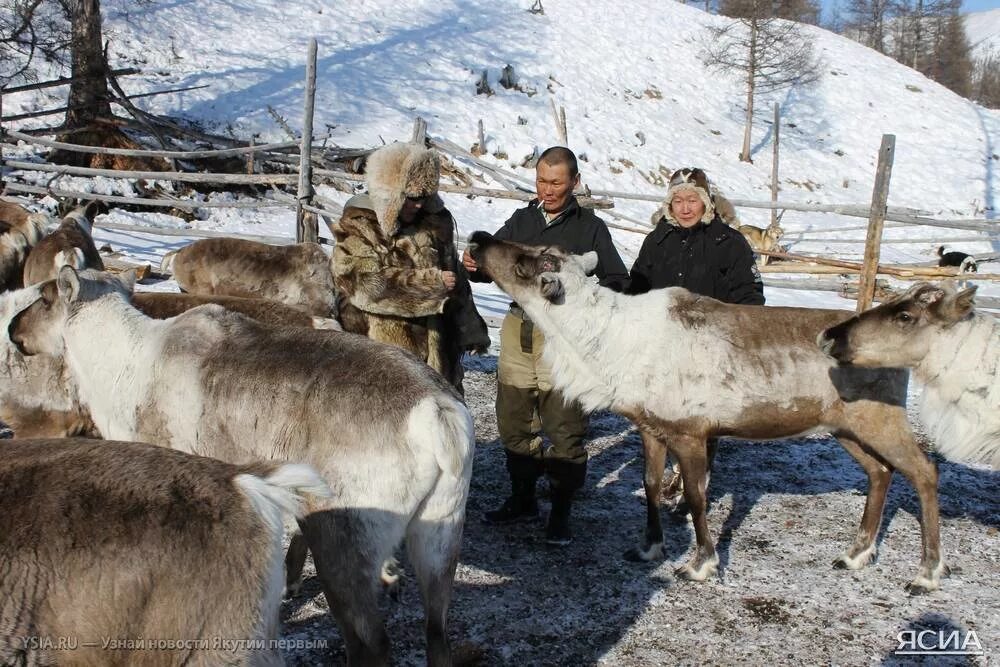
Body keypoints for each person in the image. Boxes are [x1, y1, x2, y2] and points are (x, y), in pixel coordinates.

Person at [462, 146, 629, 546]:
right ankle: (523, 500)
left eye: (556, 182)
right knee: (514, 422)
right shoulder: (521, 220)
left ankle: (561, 511)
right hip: (518, 331)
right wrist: (476, 267)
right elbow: (493, 266)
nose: (547, 189)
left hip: (566, 340)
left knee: (564, 426)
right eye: (541, 180)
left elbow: (617, 280)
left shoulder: (590, 228)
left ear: (574, 182)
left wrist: (580, 292)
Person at [627, 166, 764, 508]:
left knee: (700, 419)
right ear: (669, 205)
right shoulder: (657, 240)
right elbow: (637, 287)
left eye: (692, 200)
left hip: (710, 347)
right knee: (663, 412)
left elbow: (749, 297)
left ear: (707, 203)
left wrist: (734, 337)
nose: (685, 208)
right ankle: (676, 469)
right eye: (678, 201)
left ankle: (695, 483)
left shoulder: (729, 243)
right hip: (662, 345)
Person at [331, 142, 490, 394]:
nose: (418, 205)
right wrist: (429, 285)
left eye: (425, 197)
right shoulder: (361, 224)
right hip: (383, 355)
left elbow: (455, 277)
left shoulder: (434, 222)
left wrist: (470, 329)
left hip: (439, 355)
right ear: (390, 192)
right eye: (412, 197)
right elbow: (360, 283)